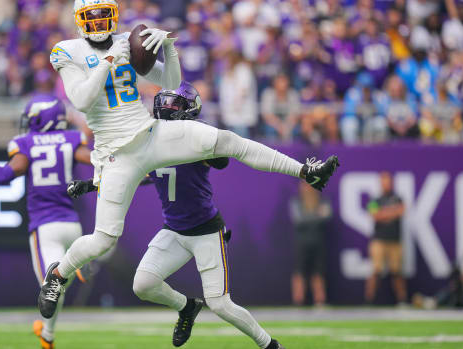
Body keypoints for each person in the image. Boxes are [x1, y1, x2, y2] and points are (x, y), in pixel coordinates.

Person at [39, 0, 340, 327]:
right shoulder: (67, 51)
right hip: (117, 153)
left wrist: (168, 49)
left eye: (103, 16)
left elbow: (170, 82)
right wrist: (108, 62)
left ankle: (305, 170)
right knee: (104, 238)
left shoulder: (127, 41)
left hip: (150, 134)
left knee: (227, 140)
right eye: (91, 17)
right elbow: (80, 99)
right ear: (80, 20)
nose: (98, 23)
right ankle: (58, 274)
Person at [69, 82, 286, 349]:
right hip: (174, 230)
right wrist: (93, 183)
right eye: (165, 103)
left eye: (174, 105)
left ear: (188, 110)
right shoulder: (150, 141)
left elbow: (222, 159)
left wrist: (208, 144)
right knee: (143, 284)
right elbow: (133, 174)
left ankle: (269, 345)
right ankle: (187, 307)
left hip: (205, 230)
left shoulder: (195, 139)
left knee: (220, 304)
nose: (166, 109)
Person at [0, 94, 91, 349]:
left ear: (42, 120)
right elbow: (96, 160)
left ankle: (48, 335)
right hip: (73, 223)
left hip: (45, 226)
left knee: (51, 289)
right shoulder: (71, 139)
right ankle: (48, 330)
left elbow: (0, 177)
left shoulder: (27, 144)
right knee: (58, 285)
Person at [364, 171, 407, 306]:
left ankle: (402, 300)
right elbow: (374, 215)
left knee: (397, 272)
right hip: (379, 240)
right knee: (376, 271)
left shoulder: (398, 198)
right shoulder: (375, 200)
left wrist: (384, 213)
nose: (386, 184)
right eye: (384, 181)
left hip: (395, 240)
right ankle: (369, 300)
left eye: (388, 181)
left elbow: (402, 211)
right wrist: (391, 212)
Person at [290, 181, 332, 307]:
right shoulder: (296, 202)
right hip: (302, 243)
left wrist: (310, 216)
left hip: (318, 242)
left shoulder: (323, 201)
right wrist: (316, 215)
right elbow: (298, 220)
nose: (307, 188)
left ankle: (319, 301)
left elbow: (327, 216)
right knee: (299, 271)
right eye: (305, 186)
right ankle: (298, 301)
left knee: (318, 272)